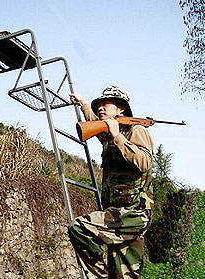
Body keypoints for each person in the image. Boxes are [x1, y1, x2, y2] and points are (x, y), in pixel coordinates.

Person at [68, 85, 154, 279]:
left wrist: (118, 136)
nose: (100, 107)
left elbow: (144, 162)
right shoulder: (106, 134)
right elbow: (92, 120)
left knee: (79, 227)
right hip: (116, 213)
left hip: (135, 213)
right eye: (98, 105)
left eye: (106, 104)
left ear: (121, 108)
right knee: (125, 275)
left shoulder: (136, 130)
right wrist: (83, 103)